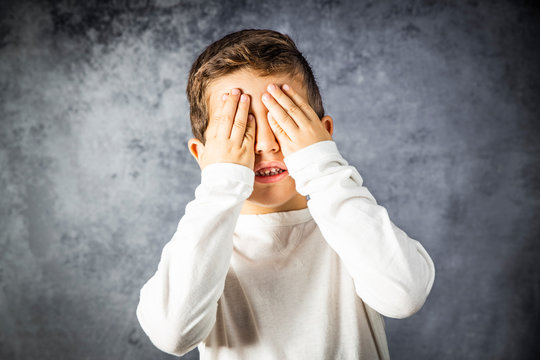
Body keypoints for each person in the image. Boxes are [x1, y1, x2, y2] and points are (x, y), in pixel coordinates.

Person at [136, 28, 435, 360]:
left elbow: (405, 295)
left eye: (283, 120)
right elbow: (172, 335)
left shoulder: (351, 226)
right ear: (201, 155)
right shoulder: (199, 245)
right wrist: (220, 184)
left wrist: (321, 164)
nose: (265, 143)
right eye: (240, 125)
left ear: (323, 135)